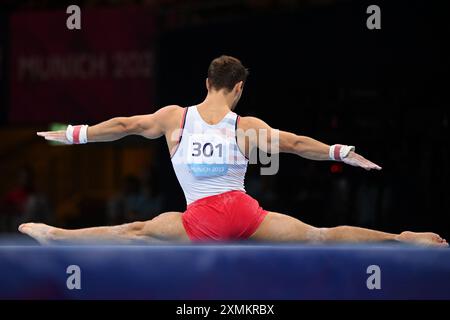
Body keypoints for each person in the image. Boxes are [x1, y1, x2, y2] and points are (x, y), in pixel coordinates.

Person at [19, 55, 447, 246]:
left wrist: (75, 133)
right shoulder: (247, 126)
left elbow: (125, 126)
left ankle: (55, 234)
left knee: (131, 232)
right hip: (244, 212)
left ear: (206, 83)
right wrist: (339, 151)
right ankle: (403, 238)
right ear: (239, 88)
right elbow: (296, 145)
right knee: (320, 236)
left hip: (198, 218)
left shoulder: (175, 118)